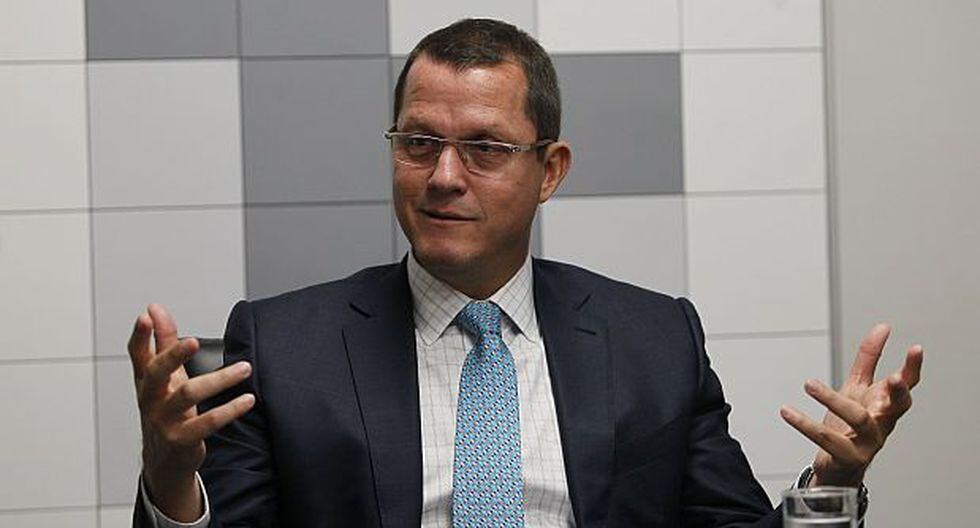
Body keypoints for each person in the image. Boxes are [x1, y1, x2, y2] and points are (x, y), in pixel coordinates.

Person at [128, 19, 923, 527]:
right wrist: (169, 481)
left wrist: (832, 480)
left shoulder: (653, 339)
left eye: (484, 148)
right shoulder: (284, 345)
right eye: (418, 143)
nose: (443, 176)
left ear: (550, 170)